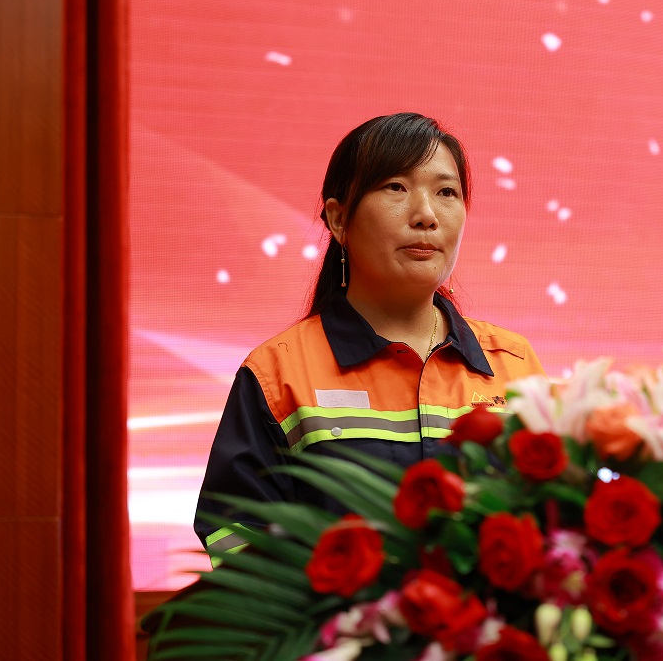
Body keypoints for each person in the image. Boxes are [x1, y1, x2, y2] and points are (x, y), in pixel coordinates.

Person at [194, 113, 546, 556]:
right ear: (339, 219)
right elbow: (236, 539)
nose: (426, 215)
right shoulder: (277, 374)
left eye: (446, 192)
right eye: (396, 187)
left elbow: (555, 521)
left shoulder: (514, 365)